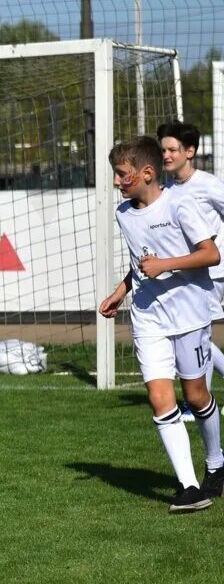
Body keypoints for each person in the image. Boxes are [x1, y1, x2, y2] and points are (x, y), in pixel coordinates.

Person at [99, 136, 223, 512]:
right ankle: (189, 487)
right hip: (149, 316)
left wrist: (165, 265)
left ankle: (216, 462)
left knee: (196, 395)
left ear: (147, 173)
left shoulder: (181, 204)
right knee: (159, 397)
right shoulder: (124, 213)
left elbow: (211, 254)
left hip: (189, 314)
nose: (118, 181)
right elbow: (142, 261)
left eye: (123, 175)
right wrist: (121, 291)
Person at [158, 120, 224, 400]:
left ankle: (196, 402)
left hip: (214, 271)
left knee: (198, 337)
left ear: (190, 152)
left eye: (172, 149)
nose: (166, 156)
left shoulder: (208, 185)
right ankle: (198, 399)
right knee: (199, 338)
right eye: (163, 150)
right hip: (188, 275)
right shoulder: (168, 191)